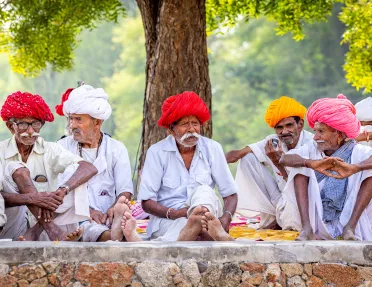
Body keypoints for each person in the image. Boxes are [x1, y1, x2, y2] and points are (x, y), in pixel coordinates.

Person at [123, 91, 238, 242]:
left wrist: (225, 219)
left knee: (204, 191)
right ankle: (204, 233)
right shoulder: (157, 152)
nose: (191, 129)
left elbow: (230, 194)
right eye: (185, 124)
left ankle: (196, 227)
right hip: (169, 220)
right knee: (186, 224)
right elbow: (146, 201)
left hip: (207, 215)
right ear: (171, 129)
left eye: (195, 124)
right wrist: (174, 213)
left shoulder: (213, 148)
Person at [0, 91, 98, 241]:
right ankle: (53, 230)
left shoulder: (50, 149)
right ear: (10, 127)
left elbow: (89, 168)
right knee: (16, 168)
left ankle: (35, 231)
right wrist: (33, 198)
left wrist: (63, 190)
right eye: (23, 124)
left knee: (75, 174)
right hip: (10, 225)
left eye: (36, 124)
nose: (31, 131)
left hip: (43, 225)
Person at [279, 94, 372, 240]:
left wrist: (356, 167)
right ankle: (306, 228)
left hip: (349, 217)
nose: (315, 137)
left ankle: (350, 228)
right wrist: (311, 163)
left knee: (369, 172)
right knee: (299, 167)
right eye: (315, 131)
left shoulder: (357, 151)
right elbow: (284, 158)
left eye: (321, 131)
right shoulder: (312, 148)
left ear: (339, 134)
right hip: (316, 219)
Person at [56, 84, 134, 242]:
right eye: (71, 119)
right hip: (74, 216)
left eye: (79, 120)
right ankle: (115, 236)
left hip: (107, 216)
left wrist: (113, 208)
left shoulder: (116, 149)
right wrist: (88, 211)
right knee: (85, 227)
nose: (72, 126)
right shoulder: (61, 148)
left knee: (121, 210)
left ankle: (116, 230)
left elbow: (125, 190)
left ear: (97, 123)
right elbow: (57, 191)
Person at [226, 96, 313, 228]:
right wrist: (216, 161)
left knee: (293, 223)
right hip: (278, 198)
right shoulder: (273, 141)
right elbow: (237, 154)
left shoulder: (311, 145)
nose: (284, 131)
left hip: (302, 202)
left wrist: (278, 162)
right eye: (279, 127)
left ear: (300, 125)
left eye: (289, 125)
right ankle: (272, 216)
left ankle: (280, 221)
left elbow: (302, 188)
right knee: (248, 158)